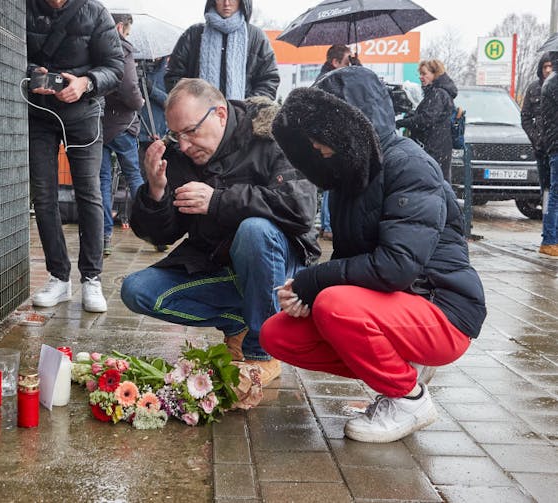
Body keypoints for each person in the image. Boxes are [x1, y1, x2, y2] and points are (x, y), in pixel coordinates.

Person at [265, 66, 486, 443]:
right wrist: (305, 292)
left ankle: (409, 399)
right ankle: (396, 376)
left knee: (336, 304)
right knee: (278, 334)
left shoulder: (410, 166)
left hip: (443, 311)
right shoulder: (350, 175)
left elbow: (395, 267)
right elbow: (354, 264)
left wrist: (314, 282)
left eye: (321, 135)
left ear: (350, 128)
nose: (315, 146)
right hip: (398, 306)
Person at [120, 78, 320, 385]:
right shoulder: (179, 156)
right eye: (176, 134)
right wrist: (156, 193)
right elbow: (161, 237)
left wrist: (217, 200)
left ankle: (262, 351)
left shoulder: (272, 136)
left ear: (220, 114)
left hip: (280, 266)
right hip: (214, 262)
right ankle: (237, 323)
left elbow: (300, 209)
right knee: (135, 291)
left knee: (254, 231)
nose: (184, 145)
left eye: (191, 131)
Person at [26, 0, 123, 312]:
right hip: (38, 112)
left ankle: (91, 278)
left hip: (83, 113)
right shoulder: (24, 8)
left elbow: (115, 68)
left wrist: (86, 83)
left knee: (89, 193)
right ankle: (59, 277)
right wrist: (32, 74)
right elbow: (5, 52)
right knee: (43, 196)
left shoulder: (95, 12)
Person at [165, 0, 279, 100]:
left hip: (242, 121)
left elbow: (269, 80)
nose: (227, 3)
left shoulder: (256, 37)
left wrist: (246, 110)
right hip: (198, 120)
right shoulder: (193, 34)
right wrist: (192, 104)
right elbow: (173, 77)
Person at [100, 13, 145, 257]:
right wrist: (140, 102)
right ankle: (153, 225)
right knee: (134, 177)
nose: (128, 36)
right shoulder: (123, 49)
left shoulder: (96, 46)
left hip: (99, 125)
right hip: (123, 125)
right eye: (127, 31)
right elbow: (129, 87)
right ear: (120, 27)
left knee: (102, 182)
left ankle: (103, 236)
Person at [395, 59, 457, 182]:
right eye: (420, 74)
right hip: (439, 148)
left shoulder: (437, 94)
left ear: (435, 74)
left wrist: (401, 123)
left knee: (433, 182)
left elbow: (426, 119)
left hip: (433, 148)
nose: (421, 77)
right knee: (440, 183)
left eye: (424, 74)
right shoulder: (439, 93)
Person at [316, 44, 354, 241]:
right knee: (334, 183)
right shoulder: (331, 81)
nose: (350, 65)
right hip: (332, 139)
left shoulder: (327, 78)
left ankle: (327, 224)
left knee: (331, 184)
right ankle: (329, 225)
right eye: (348, 61)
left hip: (329, 138)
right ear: (335, 62)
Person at [138, 55, 171, 252]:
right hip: (138, 133)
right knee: (144, 183)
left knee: (161, 182)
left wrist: (151, 90)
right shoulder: (139, 69)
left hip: (159, 135)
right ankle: (149, 229)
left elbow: (171, 101)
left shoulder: (168, 72)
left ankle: (160, 233)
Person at [522, 53, 553, 212]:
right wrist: (536, 138)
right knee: (546, 189)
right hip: (541, 149)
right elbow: (525, 117)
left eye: (550, 66)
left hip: (555, 146)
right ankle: (547, 220)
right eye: (544, 67)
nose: (547, 70)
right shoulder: (534, 88)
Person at [539, 51, 558, 258]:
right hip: (557, 145)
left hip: (554, 144)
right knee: (555, 195)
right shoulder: (554, 83)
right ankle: (550, 240)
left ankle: (552, 238)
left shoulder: (551, 81)